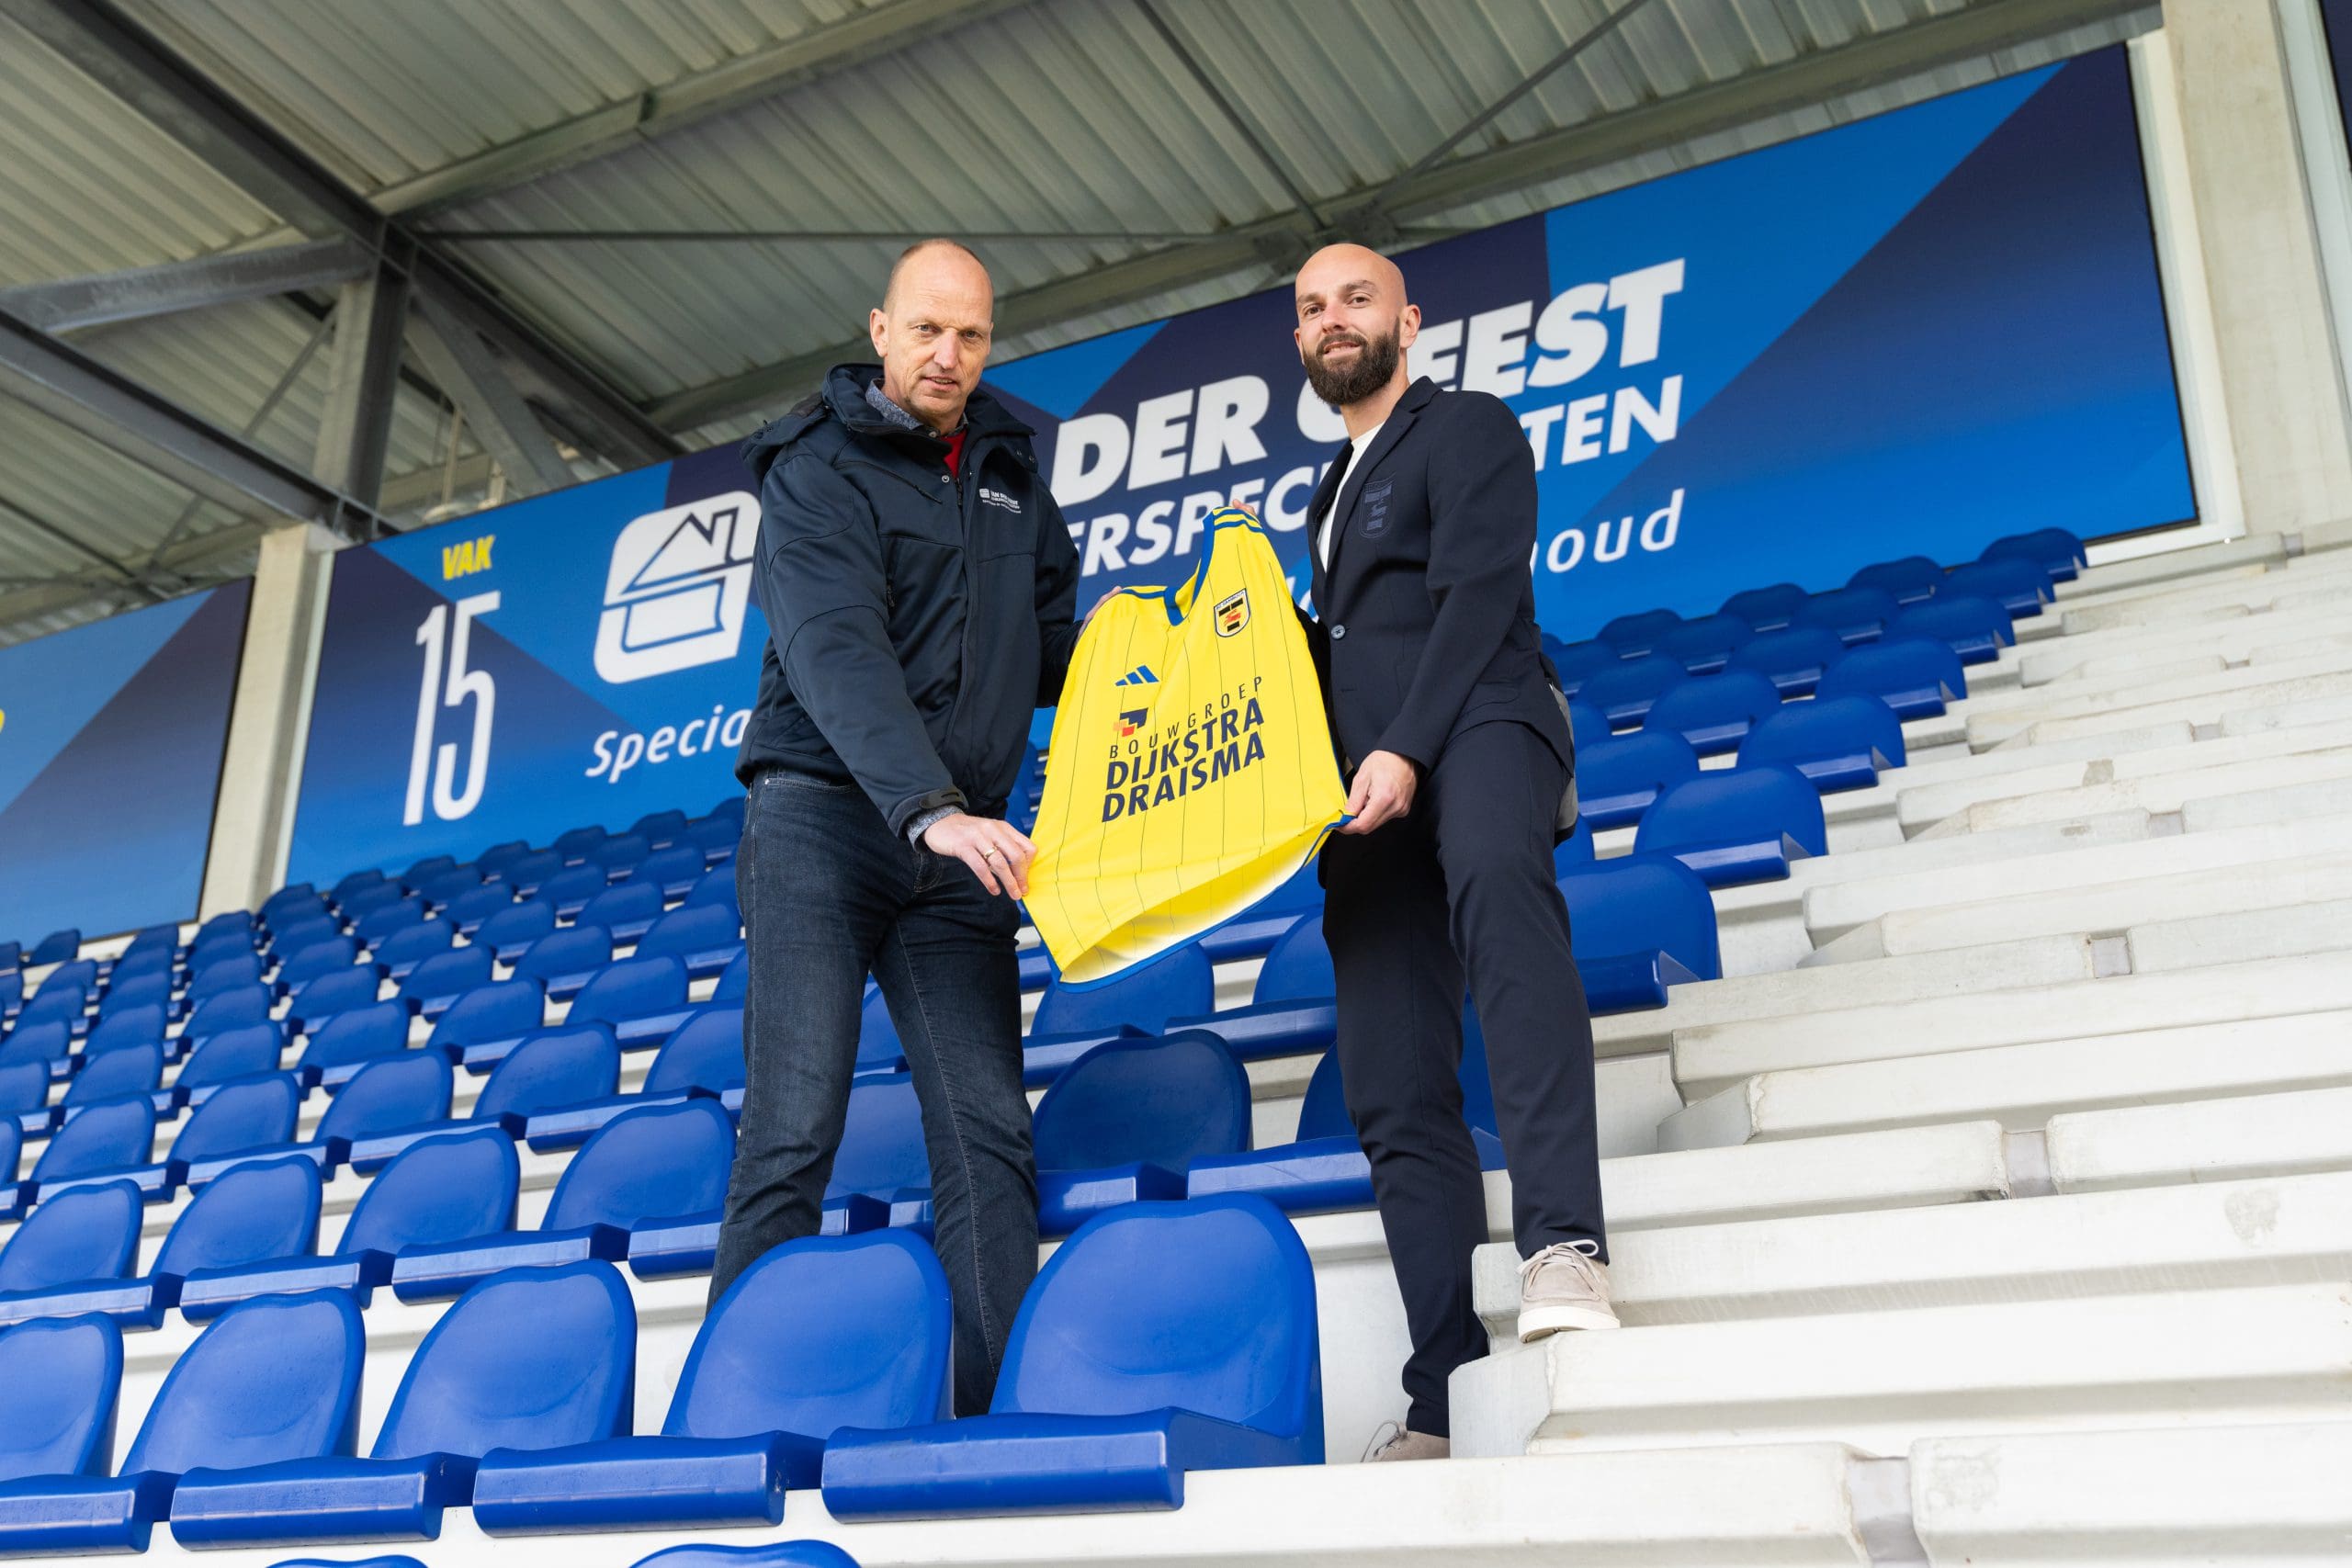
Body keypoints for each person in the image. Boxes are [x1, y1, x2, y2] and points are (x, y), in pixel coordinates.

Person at [711, 238, 1081, 1416]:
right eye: (926, 330)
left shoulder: (1014, 470)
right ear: (879, 330)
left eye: (970, 335)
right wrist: (925, 810)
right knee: (790, 1134)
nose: (947, 354)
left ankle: (988, 1420)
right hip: (824, 818)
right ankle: (734, 1416)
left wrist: (1188, 653)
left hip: (956, 845)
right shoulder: (813, 468)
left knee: (988, 1137)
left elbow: (1058, 649)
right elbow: (836, 656)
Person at [1289, 243, 1616, 1461]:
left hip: (1479, 718)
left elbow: (1478, 597)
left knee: (1497, 887)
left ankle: (1564, 1243)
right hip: (1367, 786)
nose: (1334, 319)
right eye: (1312, 307)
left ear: (1408, 321)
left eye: (1356, 298)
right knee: (1386, 1072)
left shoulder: (1469, 424)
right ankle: (1442, 1384)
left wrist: (1409, 746)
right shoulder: (1325, 496)